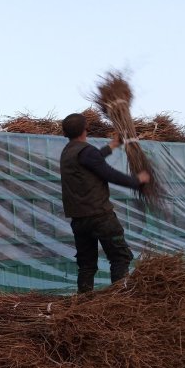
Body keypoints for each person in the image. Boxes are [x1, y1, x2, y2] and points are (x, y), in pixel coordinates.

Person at [59, 113, 151, 293]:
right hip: (100, 217)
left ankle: (84, 304)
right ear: (86, 129)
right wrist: (137, 180)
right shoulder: (86, 152)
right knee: (120, 257)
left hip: (79, 220)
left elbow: (92, 159)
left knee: (86, 265)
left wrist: (113, 145)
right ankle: (118, 302)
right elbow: (108, 173)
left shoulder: (68, 152)